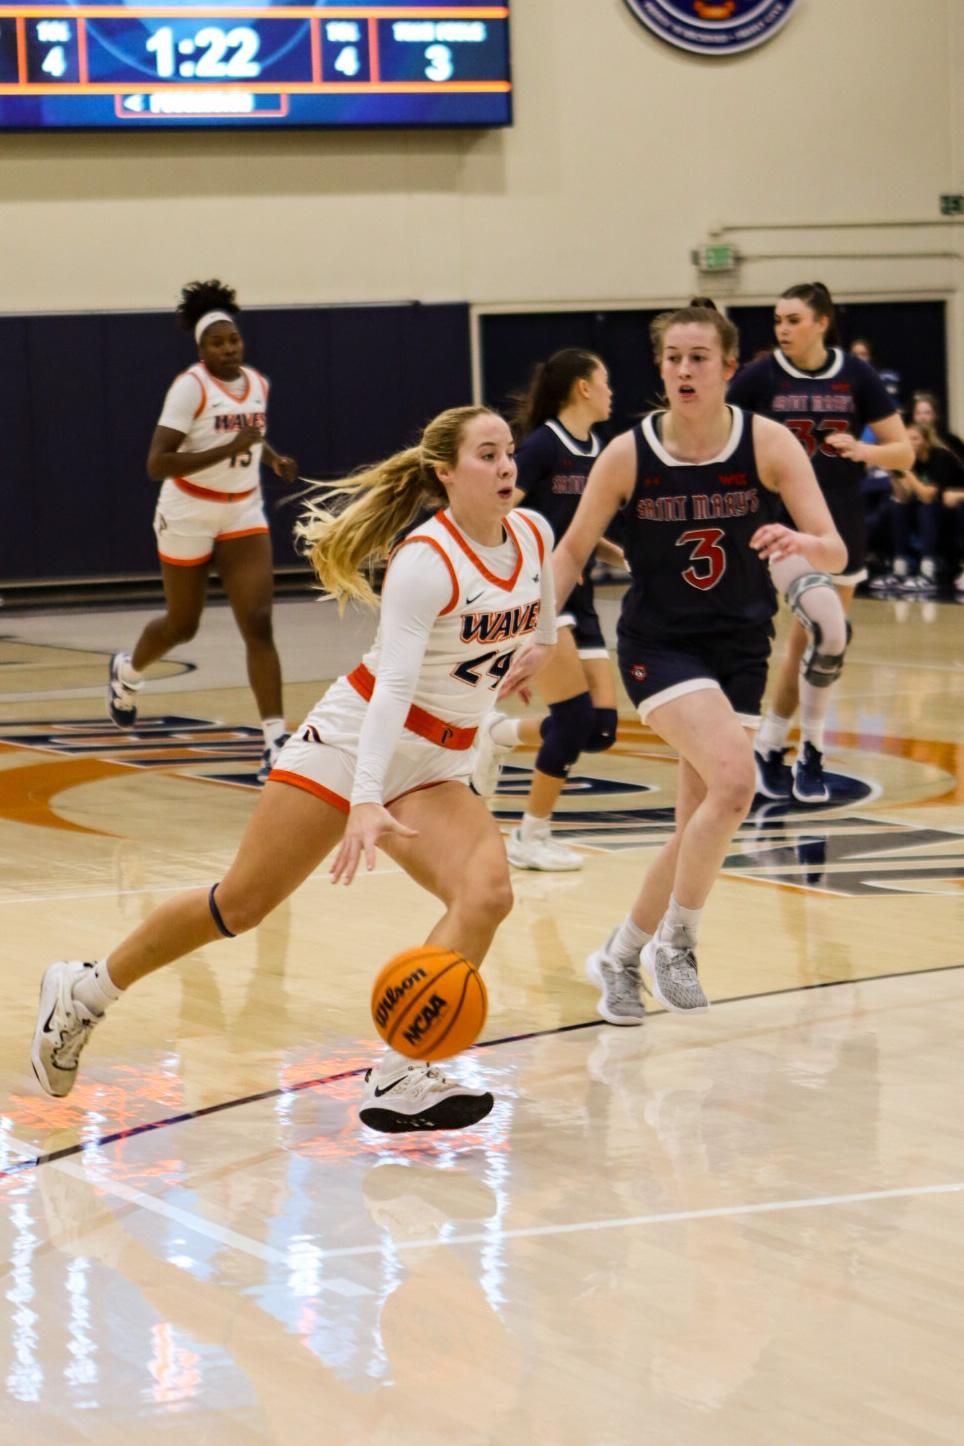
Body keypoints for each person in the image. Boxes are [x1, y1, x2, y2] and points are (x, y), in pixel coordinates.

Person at [32, 406, 557, 1131]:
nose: (505, 468)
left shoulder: (533, 534)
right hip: (354, 740)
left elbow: (546, 614)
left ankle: (403, 1070)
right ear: (445, 472)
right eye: (487, 455)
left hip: (437, 759)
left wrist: (539, 649)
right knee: (240, 906)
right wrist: (365, 799)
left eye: (508, 455)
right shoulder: (425, 562)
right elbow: (393, 692)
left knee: (487, 893)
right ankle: (84, 992)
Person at [500, 300, 846, 1026]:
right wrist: (534, 631)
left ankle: (621, 955)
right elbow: (568, 550)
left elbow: (834, 547)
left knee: (699, 818)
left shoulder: (769, 443)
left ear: (727, 366)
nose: (684, 370)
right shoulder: (629, 453)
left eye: (698, 357)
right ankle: (676, 945)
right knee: (734, 780)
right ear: (660, 367)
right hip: (660, 646)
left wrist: (799, 542)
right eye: (672, 358)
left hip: (741, 648)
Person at [106, 280, 299, 784]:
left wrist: (273, 458)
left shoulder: (256, 382)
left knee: (258, 623)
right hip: (188, 511)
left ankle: (275, 740)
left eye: (233, 339)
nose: (229, 348)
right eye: (218, 342)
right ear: (201, 348)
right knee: (182, 625)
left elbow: (248, 434)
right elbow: (157, 463)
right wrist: (229, 446)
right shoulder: (189, 387)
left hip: (242, 512)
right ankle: (128, 672)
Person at [728, 282, 912, 803]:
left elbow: (902, 454)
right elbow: (723, 435)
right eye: (778, 320)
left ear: (821, 322)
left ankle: (778, 746)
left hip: (840, 525)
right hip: (780, 527)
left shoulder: (856, 376)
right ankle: (805, 749)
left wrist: (862, 450)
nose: (782, 329)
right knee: (825, 628)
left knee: (817, 642)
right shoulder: (761, 375)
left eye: (792, 320)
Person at [472, 347, 622, 871]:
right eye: (605, 381)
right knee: (573, 716)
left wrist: (613, 552)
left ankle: (496, 735)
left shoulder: (597, 449)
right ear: (583, 387)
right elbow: (497, 513)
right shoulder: (539, 448)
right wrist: (530, 567)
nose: (611, 391)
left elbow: (577, 525)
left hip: (581, 596)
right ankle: (529, 836)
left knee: (600, 726)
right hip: (540, 593)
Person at [870, 420, 964, 591]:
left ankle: (928, 572)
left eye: (915, 439)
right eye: (907, 439)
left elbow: (927, 496)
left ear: (926, 442)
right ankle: (900, 568)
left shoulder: (941, 457)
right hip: (935, 507)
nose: (910, 443)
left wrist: (906, 471)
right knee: (897, 505)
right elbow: (903, 496)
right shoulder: (912, 459)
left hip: (954, 508)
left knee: (926, 506)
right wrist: (894, 472)